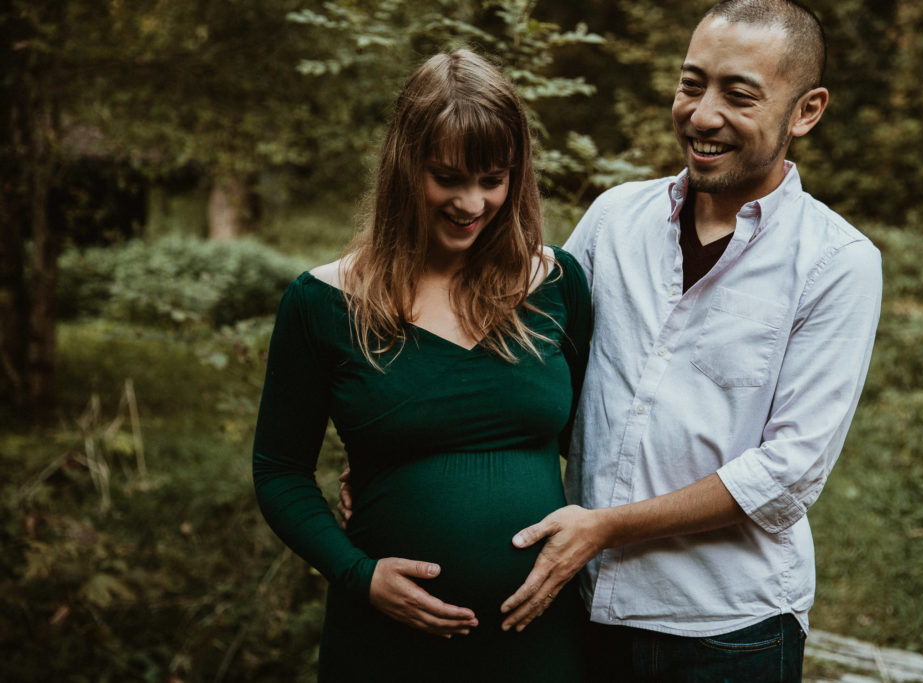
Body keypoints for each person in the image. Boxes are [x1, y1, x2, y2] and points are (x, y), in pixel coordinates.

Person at [494, 1, 884, 680]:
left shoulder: (837, 262)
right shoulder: (614, 219)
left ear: (806, 111)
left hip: (727, 632)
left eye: (738, 95)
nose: (702, 115)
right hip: (580, 610)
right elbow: (531, 362)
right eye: (691, 84)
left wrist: (607, 526)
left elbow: (787, 473)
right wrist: (410, 453)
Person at [252, 49, 591, 682]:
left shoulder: (555, 282)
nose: (472, 202)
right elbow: (279, 470)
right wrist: (358, 575)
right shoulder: (323, 302)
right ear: (405, 167)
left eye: (493, 179)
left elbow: (594, 442)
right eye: (448, 178)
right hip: (386, 647)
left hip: (537, 643)